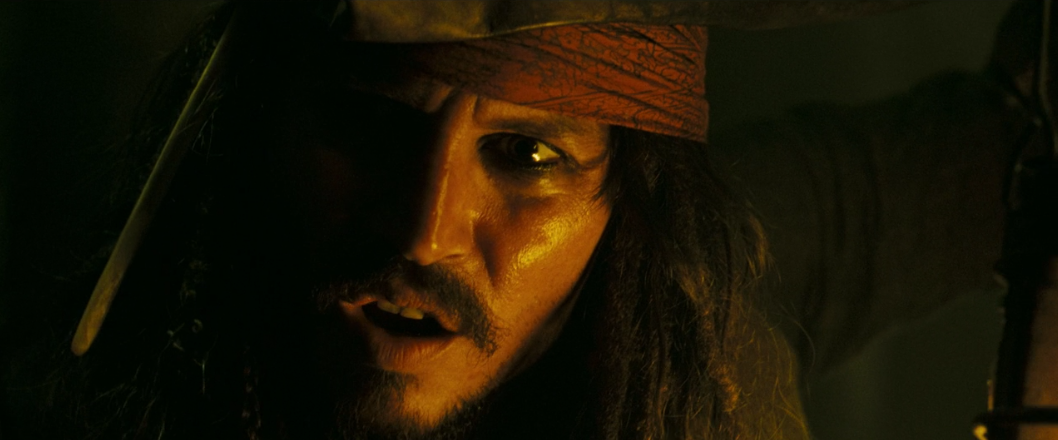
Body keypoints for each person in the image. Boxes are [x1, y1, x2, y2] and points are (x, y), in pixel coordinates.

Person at [0, 1, 1044, 439]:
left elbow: (1003, 148)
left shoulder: (706, 308)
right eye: (367, 127)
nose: (424, 231)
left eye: (527, 157)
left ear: (624, 211)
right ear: (254, 138)